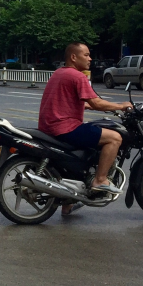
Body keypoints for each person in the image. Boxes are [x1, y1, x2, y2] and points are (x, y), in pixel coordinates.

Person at [38, 42, 133, 215]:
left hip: (49, 126)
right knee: (114, 138)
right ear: (74, 57)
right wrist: (121, 106)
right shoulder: (77, 76)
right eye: (86, 55)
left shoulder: (59, 73)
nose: (90, 59)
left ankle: (68, 203)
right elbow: (96, 102)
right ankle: (100, 180)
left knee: (84, 154)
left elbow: (65, 100)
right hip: (64, 128)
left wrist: (85, 107)